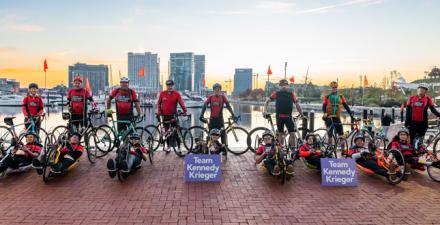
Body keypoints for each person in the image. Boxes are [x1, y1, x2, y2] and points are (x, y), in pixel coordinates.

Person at [263, 79, 304, 149]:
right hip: (279, 117)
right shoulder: (276, 93)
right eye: (281, 85)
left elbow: (297, 104)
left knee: (293, 134)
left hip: (288, 117)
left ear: (287, 86)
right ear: (279, 86)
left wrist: (302, 114)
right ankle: (281, 151)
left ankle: (293, 151)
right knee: (281, 135)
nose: (283, 87)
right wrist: (264, 111)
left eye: (285, 85)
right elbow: (267, 101)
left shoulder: (291, 94)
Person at [200, 83, 237, 148]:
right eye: (215, 90)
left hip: (220, 120)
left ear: (220, 90)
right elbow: (204, 106)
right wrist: (201, 115)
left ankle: (224, 151)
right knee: (210, 136)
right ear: (213, 90)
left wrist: (233, 115)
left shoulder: (223, 97)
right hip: (212, 120)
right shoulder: (210, 97)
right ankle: (209, 150)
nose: (217, 91)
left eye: (218, 90)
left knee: (223, 134)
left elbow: (228, 106)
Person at [157, 80, 187, 153]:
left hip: (173, 115)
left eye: (171, 85)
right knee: (166, 132)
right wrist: (159, 112)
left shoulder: (176, 94)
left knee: (176, 131)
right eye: (168, 85)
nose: (169, 87)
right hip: (165, 116)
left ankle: (179, 147)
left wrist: (185, 111)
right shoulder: (162, 93)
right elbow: (158, 103)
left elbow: (181, 103)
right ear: (166, 86)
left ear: (173, 86)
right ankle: (168, 147)